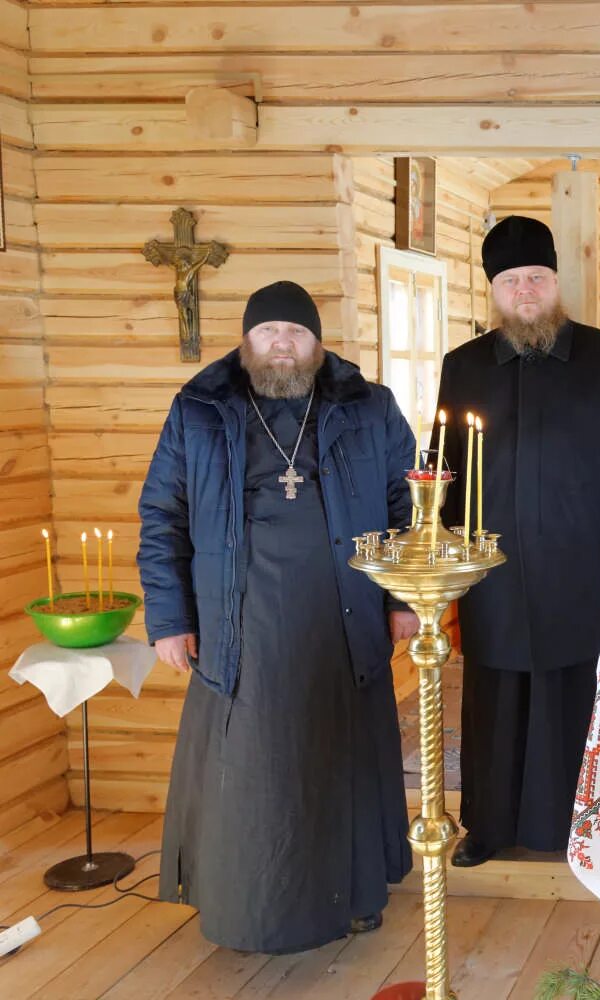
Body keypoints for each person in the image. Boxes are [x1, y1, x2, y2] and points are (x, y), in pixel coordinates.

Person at [140, 281, 417, 953]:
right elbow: (162, 518)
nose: (283, 344)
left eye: (296, 333)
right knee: (255, 763)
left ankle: (352, 898)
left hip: (343, 611)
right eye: (270, 333)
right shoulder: (200, 409)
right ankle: (247, 910)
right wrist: (169, 618)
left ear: (318, 345)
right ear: (248, 342)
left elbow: (407, 504)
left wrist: (405, 597)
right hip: (240, 618)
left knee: (338, 751)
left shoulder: (368, 406)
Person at [433, 215, 600, 867]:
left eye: (536, 278)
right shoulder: (463, 367)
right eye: (511, 281)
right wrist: (443, 554)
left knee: (570, 692)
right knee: (493, 696)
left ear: (555, 283)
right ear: (492, 293)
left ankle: (579, 823)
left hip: (577, 565)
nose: (525, 291)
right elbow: (444, 468)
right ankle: (489, 826)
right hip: (491, 569)